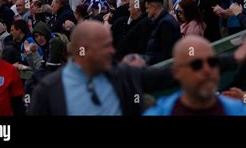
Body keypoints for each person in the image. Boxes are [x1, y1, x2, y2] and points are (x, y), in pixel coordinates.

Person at [28, 20, 174, 115]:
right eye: (106, 46)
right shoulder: (49, 90)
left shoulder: (124, 75)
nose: (112, 51)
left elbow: (169, 75)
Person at [143, 36, 246, 115]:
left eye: (212, 62)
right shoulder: (159, 112)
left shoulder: (240, 111)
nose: (207, 70)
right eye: (196, 65)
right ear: (177, 72)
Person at [144, 0, 182, 65]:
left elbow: (168, 52)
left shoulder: (165, 23)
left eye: (147, 8)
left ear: (154, 7)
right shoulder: (162, 21)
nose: (146, 11)